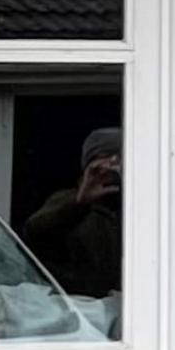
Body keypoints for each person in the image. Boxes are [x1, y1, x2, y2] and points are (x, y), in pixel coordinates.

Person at [23, 126, 123, 303]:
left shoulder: (143, 208)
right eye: (101, 165)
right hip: (81, 314)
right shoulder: (65, 203)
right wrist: (80, 203)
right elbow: (35, 232)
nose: (111, 171)